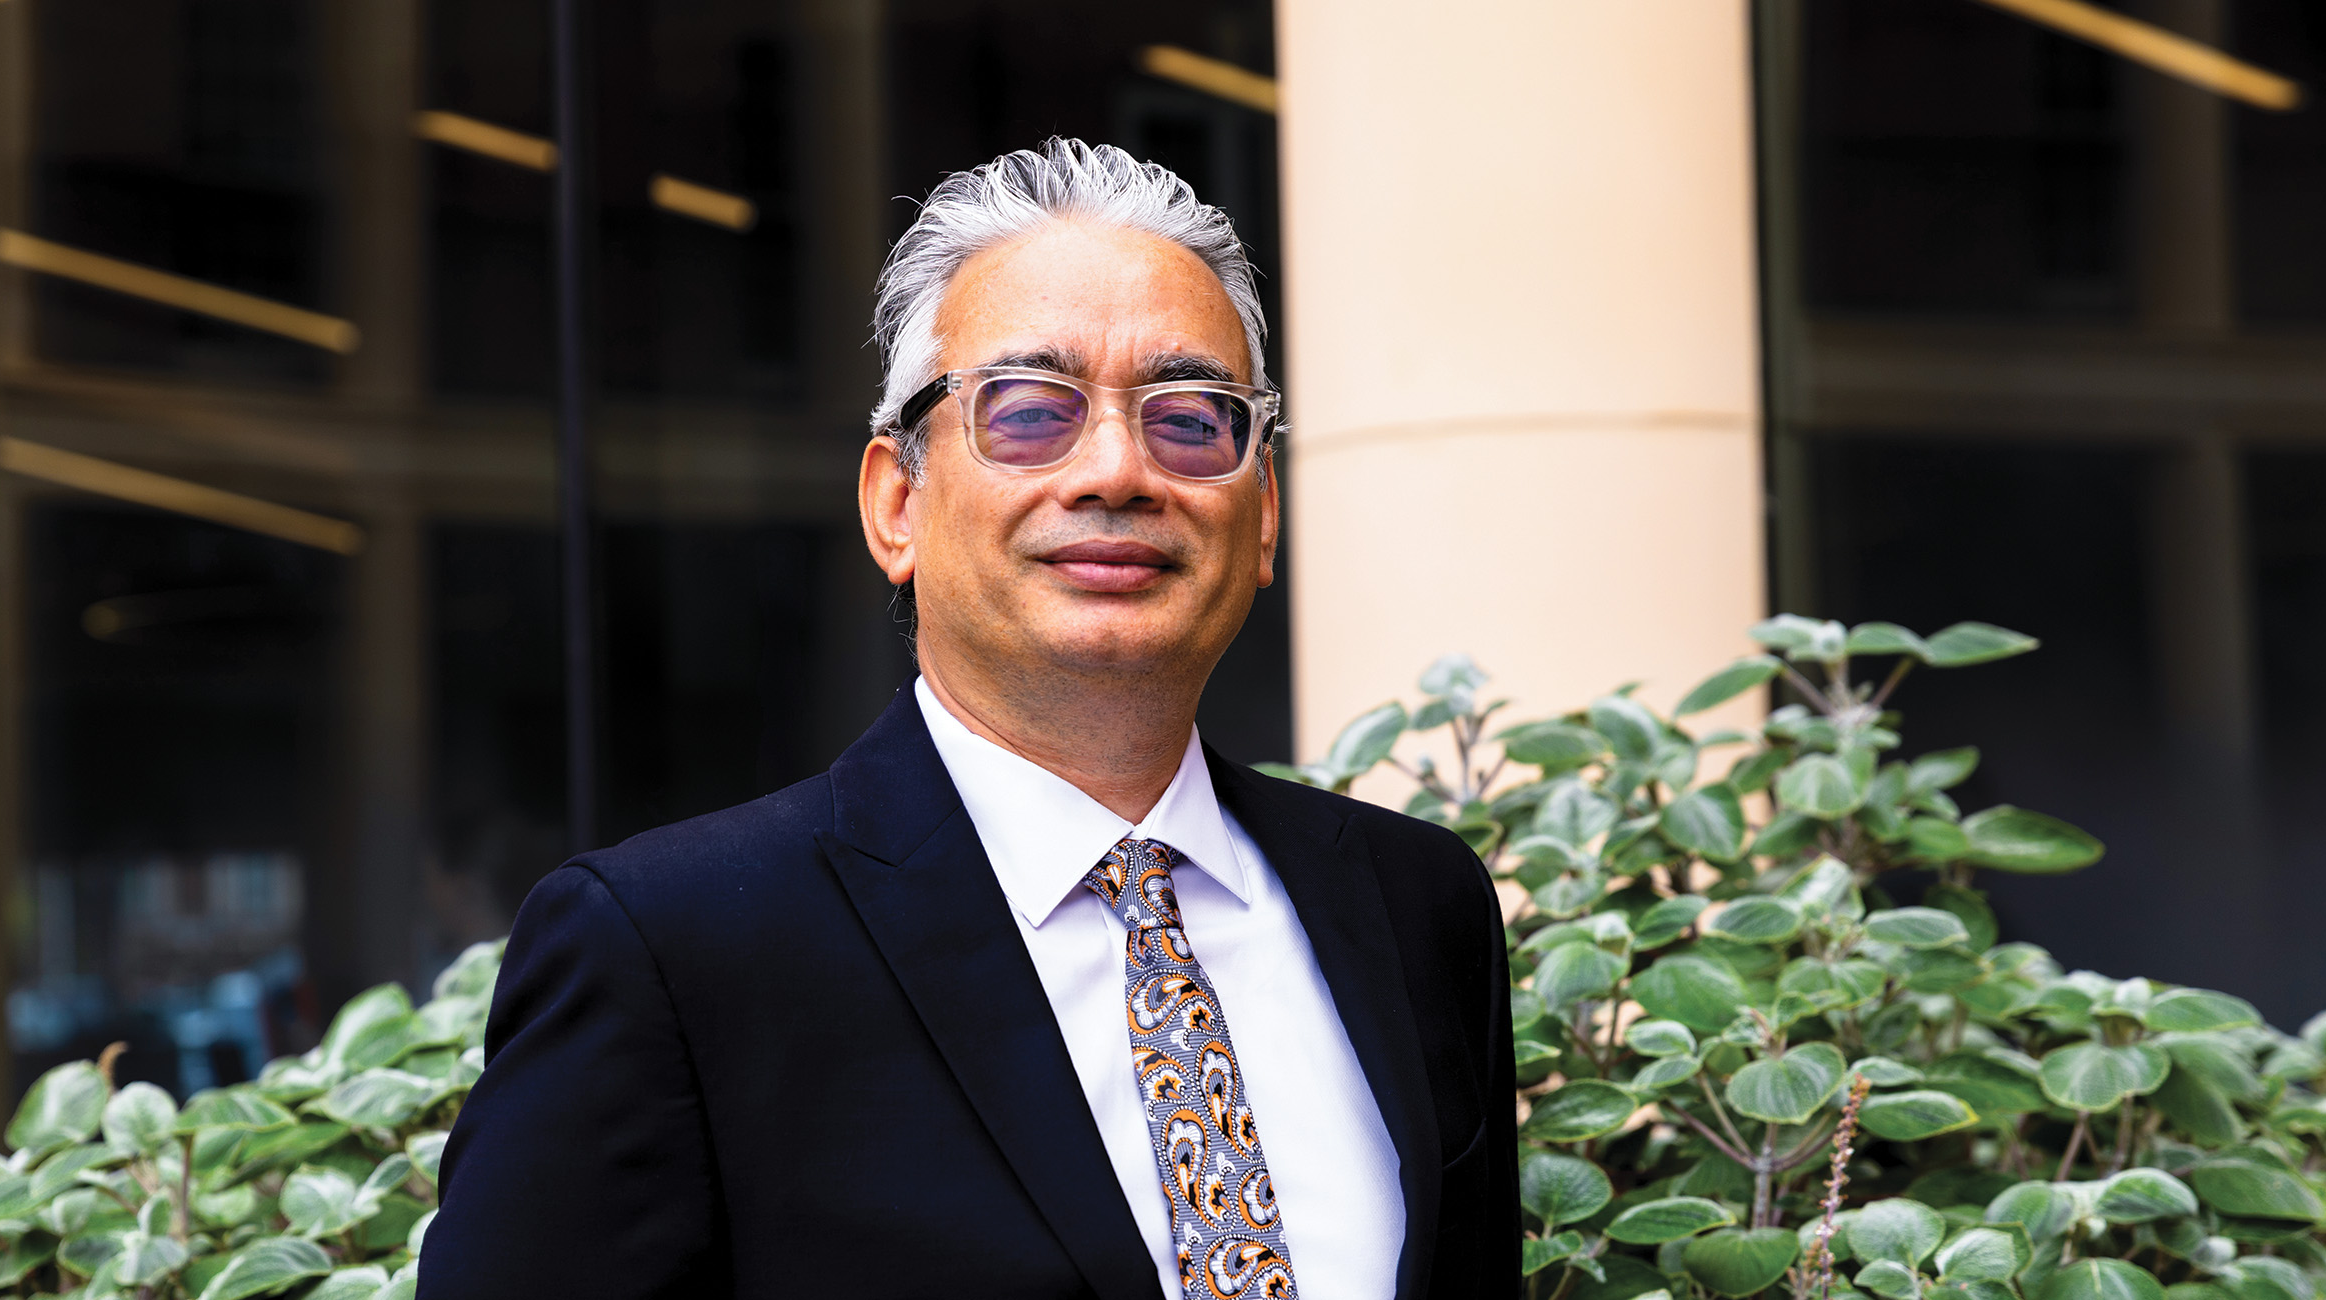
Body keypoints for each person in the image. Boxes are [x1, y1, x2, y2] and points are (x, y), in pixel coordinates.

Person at [422, 140, 1516, 1300]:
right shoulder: (671, 951)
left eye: (1191, 419)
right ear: (897, 503)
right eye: (1032, 411)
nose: (1115, 469)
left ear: (1260, 520)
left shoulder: (1413, 907)